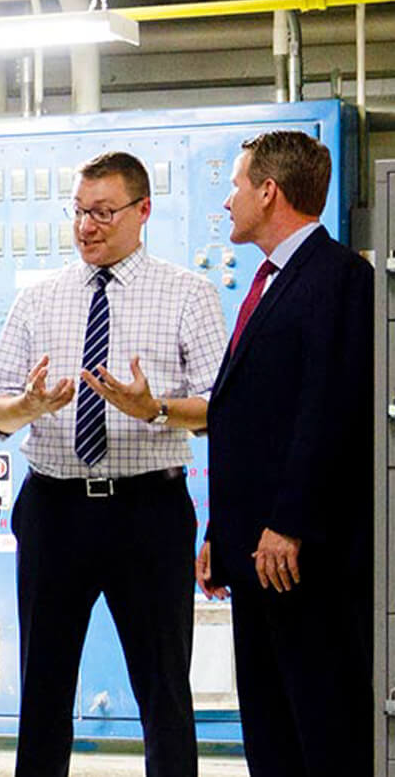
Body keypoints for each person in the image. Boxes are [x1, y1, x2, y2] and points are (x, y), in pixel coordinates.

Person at [0, 151, 227, 777]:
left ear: (143, 211)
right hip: (53, 508)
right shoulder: (40, 300)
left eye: (104, 213)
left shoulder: (187, 294)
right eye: (79, 213)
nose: (87, 227)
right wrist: (27, 406)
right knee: (43, 687)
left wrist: (157, 409)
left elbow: (221, 407)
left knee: (163, 687)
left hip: (148, 509)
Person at [196, 130, 373, 777]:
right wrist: (221, 529)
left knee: (321, 728)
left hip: (301, 558)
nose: (226, 202)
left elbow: (329, 411)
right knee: (268, 731)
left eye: (236, 185)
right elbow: (246, 421)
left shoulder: (336, 278)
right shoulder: (271, 281)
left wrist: (289, 523)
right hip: (253, 551)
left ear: (268, 191)